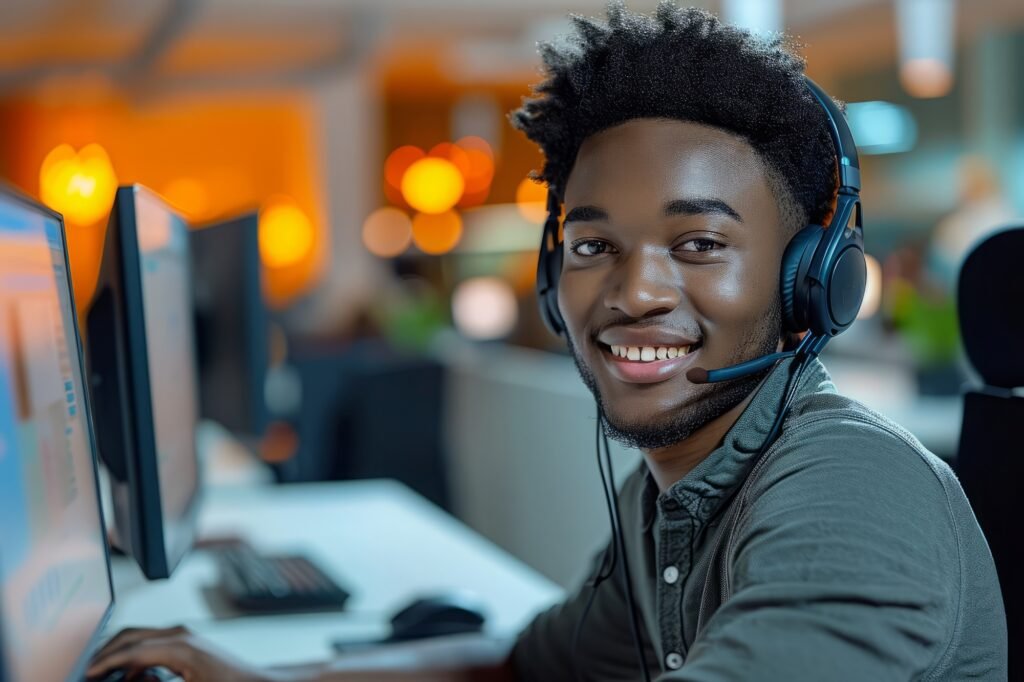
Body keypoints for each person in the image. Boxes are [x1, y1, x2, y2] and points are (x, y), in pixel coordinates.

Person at [88, 3, 1007, 680]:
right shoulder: (669, 498)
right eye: (594, 245)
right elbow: (522, 671)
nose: (635, 290)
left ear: (812, 279)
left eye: (699, 244)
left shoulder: (850, 491)